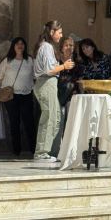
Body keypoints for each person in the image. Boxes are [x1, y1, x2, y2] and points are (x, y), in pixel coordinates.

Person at [33, 20, 74, 162]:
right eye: (60, 32)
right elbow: (49, 70)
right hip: (46, 82)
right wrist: (64, 66)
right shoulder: (46, 47)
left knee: (55, 117)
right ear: (52, 32)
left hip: (50, 83)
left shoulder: (48, 47)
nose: (61, 35)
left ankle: (48, 151)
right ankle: (41, 153)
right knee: (49, 117)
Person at [0, 37, 35, 157]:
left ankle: (34, 149)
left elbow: (35, 76)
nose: (20, 45)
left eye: (22, 43)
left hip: (26, 95)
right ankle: (16, 150)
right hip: (11, 97)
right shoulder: (7, 60)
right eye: (17, 43)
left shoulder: (30, 60)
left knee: (29, 123)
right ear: (13, 46)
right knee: (14, 123)